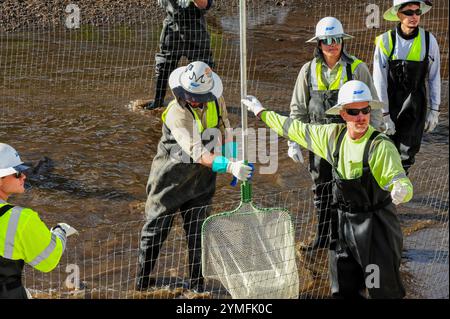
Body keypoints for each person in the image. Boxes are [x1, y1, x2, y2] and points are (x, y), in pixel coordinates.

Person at [242, 80, 412, 298]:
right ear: (342, 114)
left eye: (365, 110)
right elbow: (295, 129)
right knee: (342, 289)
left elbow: (399, 180)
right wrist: (261, 112)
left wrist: (401, 188)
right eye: (353, 111)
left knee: (379, 289)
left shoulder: (381, 146)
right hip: (343, 227)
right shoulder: (331, 136)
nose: (361, 117)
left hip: (375, 231)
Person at [136, 61, 253, 292]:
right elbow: (198, 153)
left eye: (199, 96)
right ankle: (142, 282)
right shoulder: (175, 113)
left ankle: (197, 286)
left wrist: (232, 156)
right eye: (189, 95)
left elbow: (225, 127)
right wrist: (229, 166)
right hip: (170, 178)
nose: (194, 100)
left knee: (199, 232)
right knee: (155, 230)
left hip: (202, 180)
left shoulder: (215, 100)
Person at [289, 16, 383, 250]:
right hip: (319, 143)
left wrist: (375, 138)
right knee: (321, 189)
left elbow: (372, 105)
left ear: (342, 40)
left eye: (336, 39)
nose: (332, 44)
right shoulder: (307, 70)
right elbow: (298, 109)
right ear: (318, 44)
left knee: (348, 188)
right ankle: (322, 238)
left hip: (349, 142)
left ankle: (347, 239)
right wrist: (294, 142)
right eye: (327, 40)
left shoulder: (357, 68)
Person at [0, 143, 77, 299]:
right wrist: (60, 231)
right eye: (17, 173)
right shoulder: (21, 219)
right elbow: (48, 261)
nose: (24, 176)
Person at [373, 0, 441, 172]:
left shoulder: (428, 40)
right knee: (385, 153)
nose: (414, 17)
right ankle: (383, 195)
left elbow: (434, 77)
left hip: (415, 106)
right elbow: (378, 80)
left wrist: (435, 110)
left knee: (406, 155)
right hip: (391, 103)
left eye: (417, 12)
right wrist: (384, 114)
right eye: (408, 13)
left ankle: (398, 196)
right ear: (398, 14)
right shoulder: (385, 41)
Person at [145, 0, 215, 110]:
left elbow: (204, 4)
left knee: (203, 67)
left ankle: (204, 103)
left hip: (195, 29)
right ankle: (158, 102)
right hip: (172, 26)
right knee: (163, 66)